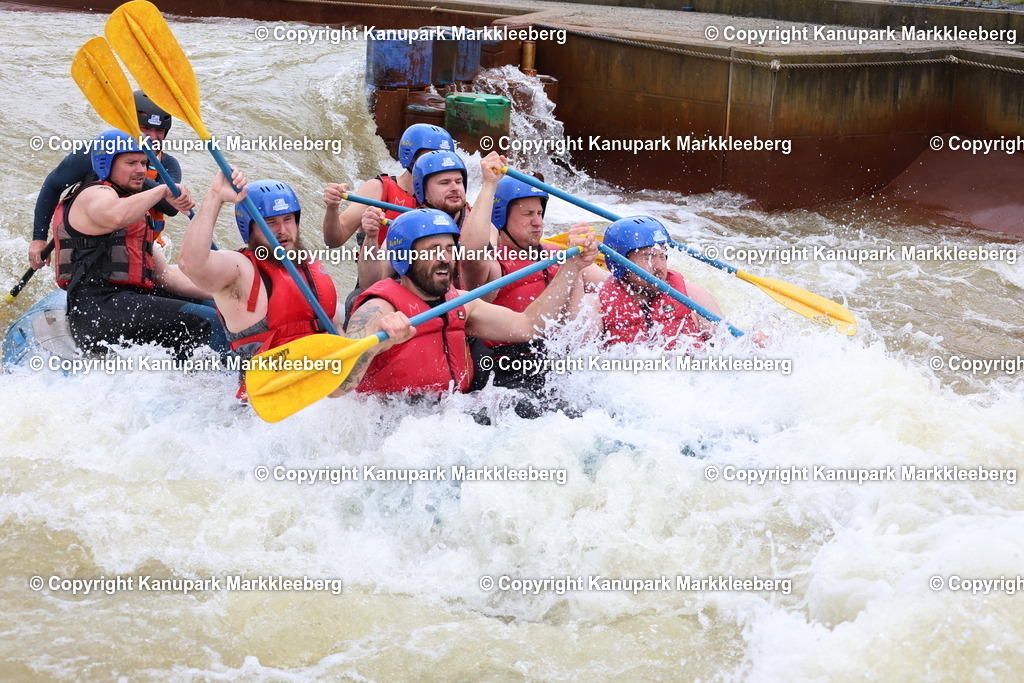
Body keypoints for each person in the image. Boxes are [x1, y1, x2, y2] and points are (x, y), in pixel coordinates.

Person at [334, 209, 597, 397]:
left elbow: (527, 326)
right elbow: (337, 387)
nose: (445, 258)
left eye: (449, 248)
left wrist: (570, 268)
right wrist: (379, 346)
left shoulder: (461, 302)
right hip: (392, 424)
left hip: (452, 418)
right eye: (433, 249)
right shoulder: (378, 309)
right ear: (404, 257)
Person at [54, 129, 217, 356]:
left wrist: (221, 292)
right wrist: (161, 191)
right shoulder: (93, 195)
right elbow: (115, 215)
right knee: (207, 321)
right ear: (105, 164)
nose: (141, 170)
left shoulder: (132, 206)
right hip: (98, 310)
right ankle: (219, 381)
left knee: (216, 306)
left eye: (143, 162)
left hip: (127, 303)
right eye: (131, 163)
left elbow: (165, 276)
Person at [458, 169, 610, 390]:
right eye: (528, 214)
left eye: (539, 213)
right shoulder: (492, 264)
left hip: (559, 362)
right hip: (508, 368)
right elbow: (471, 252)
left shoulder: (558, 253)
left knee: (593, 299)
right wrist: (489, 184)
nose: (537, 222)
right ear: (501, 216)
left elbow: (612, 286)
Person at [178, 170, 338, 366]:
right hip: (268, 386)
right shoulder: (240, 269)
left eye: (288, 219)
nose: (282, 231)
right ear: (249, 228)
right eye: (270, 223)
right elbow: (191, 264)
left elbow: (337, 331)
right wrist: (215, 196)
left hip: (326, 379)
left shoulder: (311, 268)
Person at [30, 91, 183, 270]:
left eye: (159, 131)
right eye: (145, 128)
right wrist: (39, 239)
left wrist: (132, 174)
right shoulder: (96, 154)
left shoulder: (167, 164)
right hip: (90, 244)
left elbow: (172, 207)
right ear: (127, 125)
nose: (153, 137)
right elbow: (53, 185)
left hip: (137, 245)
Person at [322, 123, 455, 292]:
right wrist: (332, 208)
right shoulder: (378, 189)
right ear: (410, 157)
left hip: (428, 287)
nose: (438, 164)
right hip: (376, 285)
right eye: (430, 157)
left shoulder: (447, 199)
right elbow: (334, 240)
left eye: (444, 158)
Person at [597, 216, 724, 348]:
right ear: (619, 263)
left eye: (662, 255)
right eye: (648, 257)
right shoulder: (597, 304)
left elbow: (729, 347)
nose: (659, 266)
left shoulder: (692, 295)